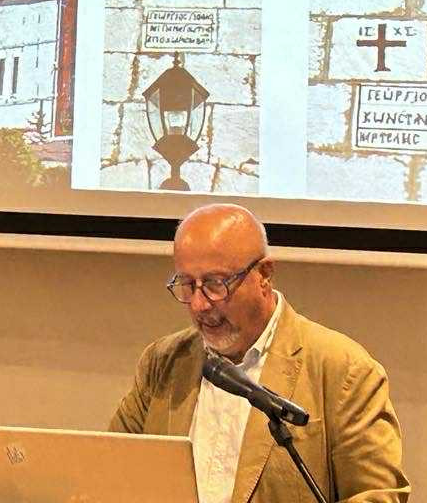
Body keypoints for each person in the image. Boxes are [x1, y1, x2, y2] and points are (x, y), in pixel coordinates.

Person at [110, 204, 409, 503]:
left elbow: (377, 496)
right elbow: (110, 471)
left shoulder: (343, 370)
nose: (199, 304)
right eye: (187, 284)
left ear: (264, 274)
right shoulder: (163, 363)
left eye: (215, 284)